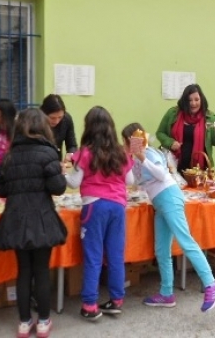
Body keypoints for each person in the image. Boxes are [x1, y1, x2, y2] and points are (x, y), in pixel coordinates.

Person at [121, 123, 215, 311]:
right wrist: (126, 159)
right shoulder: (136, 159)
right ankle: (166, 293)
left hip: (168, 197)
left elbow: (161, 174)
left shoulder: (149, 153)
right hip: (160, 204)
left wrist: (142, 157)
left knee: (185, 241)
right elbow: (133, 182)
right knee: (161, 250)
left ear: (136, 139)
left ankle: (211, 284)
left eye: (127, 142)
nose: (127, 145)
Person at [0, 108, 67, 338]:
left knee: (23, 272)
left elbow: (1, 189)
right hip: (42, 219)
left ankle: (24, 323)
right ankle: (43, 322)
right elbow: (58, 188)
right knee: (41, 271)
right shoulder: (48, 153)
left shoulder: (9, 156)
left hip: (16, 219)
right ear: (43, 127)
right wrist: (60, 173)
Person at [65, 106, 134, 321]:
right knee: (115, 255)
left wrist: (62, 172)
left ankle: (90, 304)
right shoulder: (121, 153)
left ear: (89, 128)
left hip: (94, 207)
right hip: (117, 207)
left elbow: (74, 182)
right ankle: (117, 300)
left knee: (93, 257)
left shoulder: (85, 153)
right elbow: (130, 181)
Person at [156, 84, 215, 172]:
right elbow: (160, 133)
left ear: (201, 99)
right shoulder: (173, 113)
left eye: (197, 99)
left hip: (199, 170)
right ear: (185, 101)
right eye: (189, 100)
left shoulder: (209, 117)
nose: (193, 103)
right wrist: (170, 142)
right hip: (174, 167)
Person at [39, 94, 77, 161]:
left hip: (57, 162)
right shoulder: (36, 121)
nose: (57, 121)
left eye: (60, 117)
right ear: (43, 113)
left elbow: (72, 145)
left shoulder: (66, 119)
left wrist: (71, 153)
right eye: (52, 118)